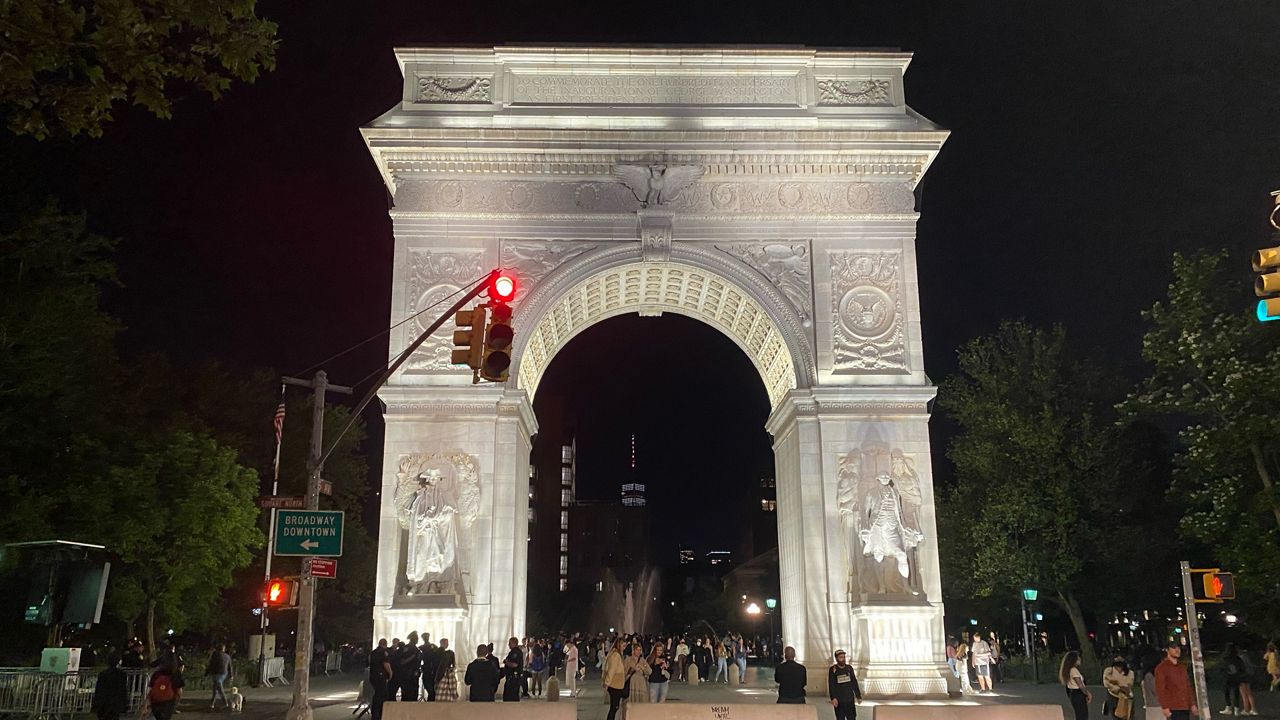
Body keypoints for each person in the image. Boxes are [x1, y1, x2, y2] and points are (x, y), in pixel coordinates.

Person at [1155, 642, 1196, 720]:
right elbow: (1160, 689)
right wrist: (1165, 706)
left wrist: (1192, 703)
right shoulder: (1162, 668)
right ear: (1167, 650)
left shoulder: (1182, 667)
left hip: (1185, 705)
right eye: (1173, 648)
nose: (1177, 650)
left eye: (1178, 648)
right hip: (1173, 707)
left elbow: (1187, 686)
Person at [92, 651, 129, 720]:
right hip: (115, 703)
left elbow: (99, 690)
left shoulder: (103, 674)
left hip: (104, 702)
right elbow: (123, 690)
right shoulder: (122, 675)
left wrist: (96, 704)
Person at [828, 649, 862, 720]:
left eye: (844, 657)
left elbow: (854, 682)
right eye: (841, 657)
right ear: (836, 658)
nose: (843, 659)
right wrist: (833, 698)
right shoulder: (833, 670)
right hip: (839, 701)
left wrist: (858, 695)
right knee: (840, 718)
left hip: (849, 700)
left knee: (852, 718)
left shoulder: (849, 668)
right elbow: (831, 684)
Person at [1061, 651, 1092, 720]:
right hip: (1078, 694)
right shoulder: (1074, 670)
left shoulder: (1069, 670)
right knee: (1082, 716)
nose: (1080, 660)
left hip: (1074, 694)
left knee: (1079, 714)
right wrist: (1087, 693)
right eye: (1078, 658)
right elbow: (1080, 685)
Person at [1103, 655, 1135, 720]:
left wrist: (1118, 684)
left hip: (1126, 696)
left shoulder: (1130, 672)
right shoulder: (1108, 671)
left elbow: (1129, 684)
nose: (1119, 668)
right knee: (1116, 716)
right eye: (1117, 665)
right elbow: (1107, 683)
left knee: (1128, 716)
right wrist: (1118, 688)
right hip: (1113, 696)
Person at [602, 638, 627, 720]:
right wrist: (607, 683)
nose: (624, 647)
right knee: (614, 707)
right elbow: (612, 670)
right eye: (623, 645)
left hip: (616, 684)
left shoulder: (616, 654)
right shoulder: (616, 655)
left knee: (614, 707)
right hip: (614, 685)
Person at [369, 639, 393, 720]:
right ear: (385, 644)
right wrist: (390, 673)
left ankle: (374, 713)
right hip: (381, 676)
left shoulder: (374, 652)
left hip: (373, 676)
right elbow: (386, 664)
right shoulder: (384, 652)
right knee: (382, 695)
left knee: (377, 695)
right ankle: (379, 714)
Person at [398, 632, 422, 702]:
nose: (417, 640)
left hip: (415, 675)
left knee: (414, 694)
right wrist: (413, 656)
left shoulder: (417, 649)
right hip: (407, 675)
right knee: (407, 695)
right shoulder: (407, 648)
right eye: (416, 638)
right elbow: (402, 661)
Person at [205, 643, 231, 709]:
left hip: (216, 673)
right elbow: (230, 666)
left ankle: (225, 703)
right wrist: (231, 675)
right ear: (224, 649)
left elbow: (211, 664)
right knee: (215, 688)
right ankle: (212, 703)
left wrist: (207, 672)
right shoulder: (227, 656)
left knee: (219, 688)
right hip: (224, 673)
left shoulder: (215, 655)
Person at [626, 643, 650, 711]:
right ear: (633, 650)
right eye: (637, 650)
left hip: (641, 684)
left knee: (641, 703)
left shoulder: (642, 660)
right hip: (632, 684)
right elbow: (624, 672)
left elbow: (649, 671)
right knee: (633, 703)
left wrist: (642, 668)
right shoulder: (628, 660)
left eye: (640, 650)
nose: (639, 652)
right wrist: (632, 669)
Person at [502, 637, 523, 701]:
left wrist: (506, 662)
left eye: (510, 643)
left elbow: (514, 664)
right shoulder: (515, 652)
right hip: (512, 677)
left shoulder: (515, 652)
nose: (508, 645)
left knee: (510, 696)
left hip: (513, 678)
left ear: (514, 643)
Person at [420, 633, 439, 702]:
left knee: (433, 691)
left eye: (427, 637)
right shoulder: (421, 647)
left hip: (433, 671)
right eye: (424, 637)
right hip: (426, 671)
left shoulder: (433, 646)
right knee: (430, 690)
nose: (426, 638)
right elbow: (419, 659)